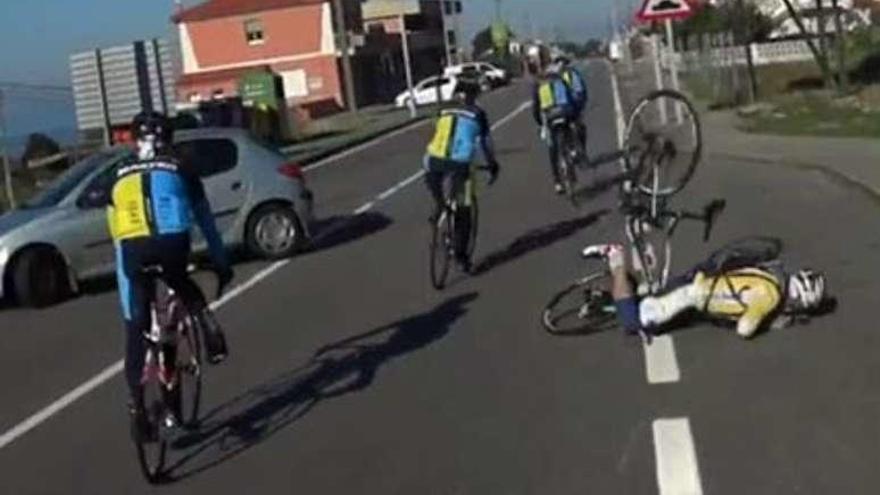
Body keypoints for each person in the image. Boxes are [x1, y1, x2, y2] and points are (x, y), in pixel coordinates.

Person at [106, 111, 234, 433]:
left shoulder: (117, 174)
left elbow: (118, 242)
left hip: (134, 250)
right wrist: (221, 264)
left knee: (136, 329)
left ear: (134, 141)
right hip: (172, 242)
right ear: (170, 139)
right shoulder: (182, 167)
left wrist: (128, 309)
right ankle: (209, 327)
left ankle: (137, 407)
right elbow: (207, 224)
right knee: (179, 281)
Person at [583, 243, 828, 339]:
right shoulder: (770, 297)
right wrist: (766, 320)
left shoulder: (774, 273)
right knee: (633, 321)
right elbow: (744, 330)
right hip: (693, 295)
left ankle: (600, 298)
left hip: (701, 282)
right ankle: (615, 257)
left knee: (649, 302)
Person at [424, 77, 500, 272]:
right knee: (464, 211)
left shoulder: (443, 109)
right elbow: (485, 144)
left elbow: (437, 130)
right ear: (473, 96)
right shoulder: (478, 114)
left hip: (433, 161)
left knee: (439, 195)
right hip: (460, 164)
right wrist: (492, 166)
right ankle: (461, 257)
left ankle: (440, 207)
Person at [531, 63, 579, 194]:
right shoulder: (561, 81)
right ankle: (573, 150)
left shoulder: (538, 85)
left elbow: (535, 108)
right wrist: (575, 115)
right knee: (569, 128)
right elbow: (572, 100)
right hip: (565, 113)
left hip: (550, 117)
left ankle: (557, 182)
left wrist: (540, 123)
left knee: (552, 149)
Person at [554, 55, 588, 150]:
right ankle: (581, 152)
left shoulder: (569, 74)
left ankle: (581, 150)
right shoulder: (569, 74)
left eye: (562, 63)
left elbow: (579, 91)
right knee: (579, 127)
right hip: (563, 108)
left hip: (565, 108)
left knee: (579, 128)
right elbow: (580, 91)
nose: (560, 66)